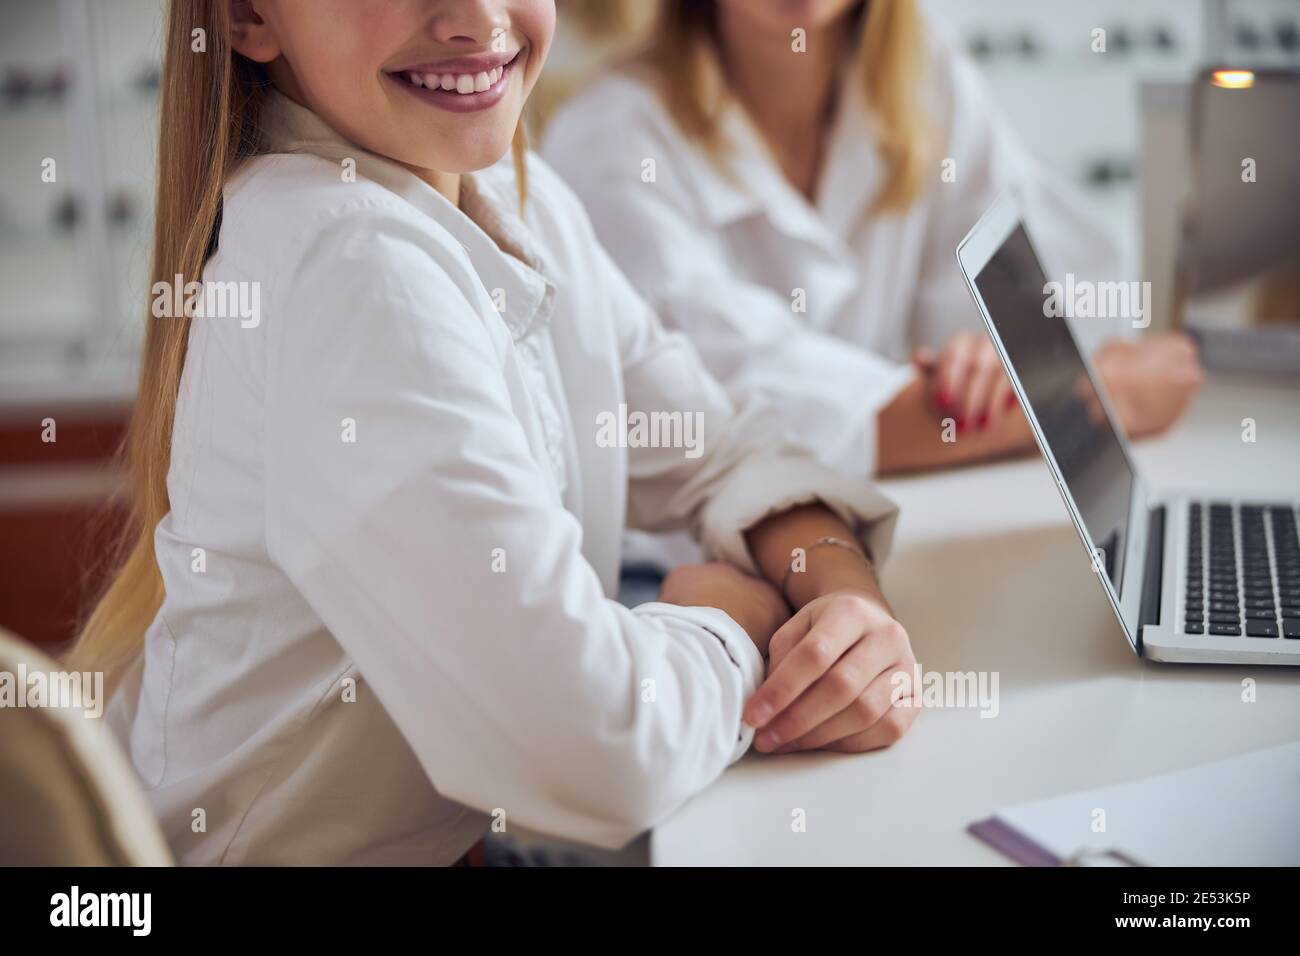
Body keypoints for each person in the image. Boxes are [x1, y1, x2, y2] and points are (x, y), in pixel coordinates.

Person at [70, 0, 918, 866]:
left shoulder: (518, 196)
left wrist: (842, 601)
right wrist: (732, 627)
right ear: (250, 18)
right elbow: (595, 747)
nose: (477, 18)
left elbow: (725, 452)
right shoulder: (346, 264)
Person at [542, 0, 1204, 477]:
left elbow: (1051, 296)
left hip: (904, 522)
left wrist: (983, 362)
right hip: (697, 587)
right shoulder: (612, 139)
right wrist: (1092, 399)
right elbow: (755, 416)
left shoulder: (925, 79)